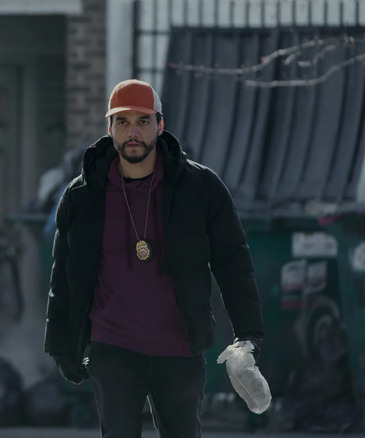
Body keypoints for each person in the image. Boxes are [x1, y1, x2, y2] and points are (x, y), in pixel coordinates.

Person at [43, 79, 264, 438]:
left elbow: (234, 264)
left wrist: (248, 336)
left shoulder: (200, 188)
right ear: (109, 128)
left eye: (143, 121)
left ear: (160, 126)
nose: (134, 132)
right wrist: (60, 344)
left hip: (179, 347)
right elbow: (64, 274)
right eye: (123, 122)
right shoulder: (83, 194)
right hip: (111, 347)